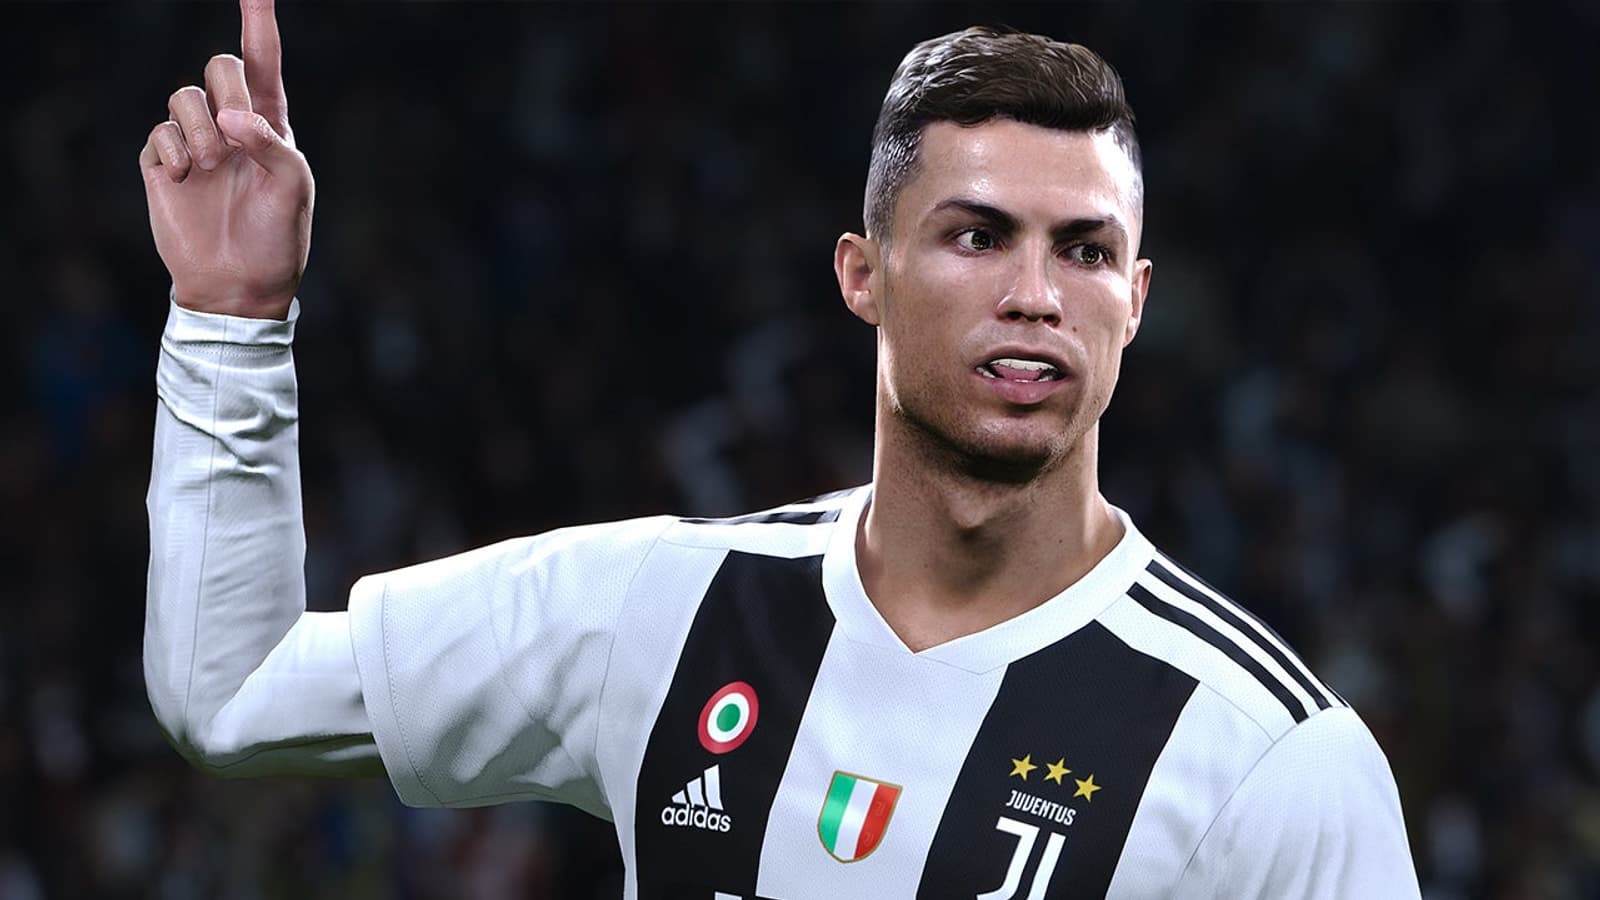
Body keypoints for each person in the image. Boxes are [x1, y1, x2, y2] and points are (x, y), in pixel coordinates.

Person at [138, 2, 1420, 896]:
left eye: (1082, 250)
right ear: (863, 275)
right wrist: (229, 324)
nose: (1035, 295)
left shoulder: (1270, 760)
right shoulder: (661, 613)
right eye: (976, 236)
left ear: (1133, 302)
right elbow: (234, 692)